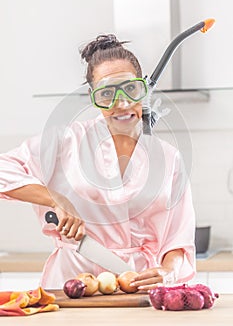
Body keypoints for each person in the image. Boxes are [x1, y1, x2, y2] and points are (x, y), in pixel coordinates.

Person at [0, 34, 196, 290]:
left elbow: (178, 240)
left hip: (137, 287)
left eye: (131, 89)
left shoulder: (169, 158)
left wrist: (168, 271)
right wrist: (56, 199)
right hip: (71, 286)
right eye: (106, 94)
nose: (122, 103)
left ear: (143, 90)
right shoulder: (65, 141)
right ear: (94, 97)